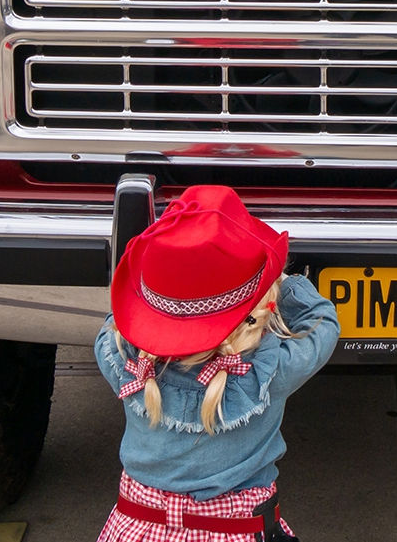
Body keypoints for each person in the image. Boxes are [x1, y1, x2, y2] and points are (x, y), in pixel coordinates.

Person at [96, 184, 339, 542]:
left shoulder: (123, 359)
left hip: (135, 530)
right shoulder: (267, 373)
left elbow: (117, 319)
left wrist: (155, 285)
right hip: (237, 532)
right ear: (257, 306)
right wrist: (280, 281)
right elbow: (323, 323)